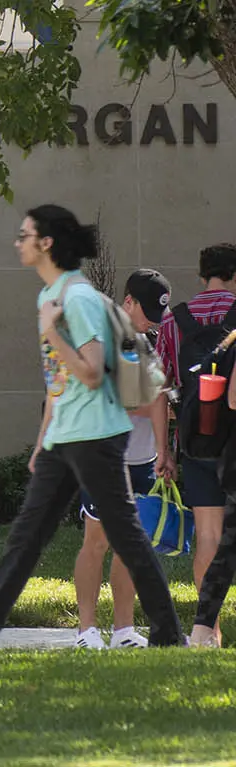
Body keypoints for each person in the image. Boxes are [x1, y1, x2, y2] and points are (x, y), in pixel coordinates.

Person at [0, 204, 185, 650]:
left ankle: (168, 633)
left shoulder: (76, 299)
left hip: (96, 436)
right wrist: (45, 439)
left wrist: (53, 332)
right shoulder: (52, 295)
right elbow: (58, 380)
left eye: (25, 235)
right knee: (26, 540)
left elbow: (93, 372)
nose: (17, 242)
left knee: (126, 538)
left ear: (47, 244)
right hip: (68, 437)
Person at [69, 268, 170, 649]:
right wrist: (157, 401)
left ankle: (124, 629)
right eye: (145, 314)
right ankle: (86, 629)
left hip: (142, 458)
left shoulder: (151, 342)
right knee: (96, 541)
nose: (149, 324)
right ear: (127, 301)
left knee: (133, 543)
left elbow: (157, 398)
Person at [155, 242, 236, 636]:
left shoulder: (174, 322)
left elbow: (160, 388)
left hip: (197, 437)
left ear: (202, 274)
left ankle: (210, 630)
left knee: (207, 534)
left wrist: (163, 450)